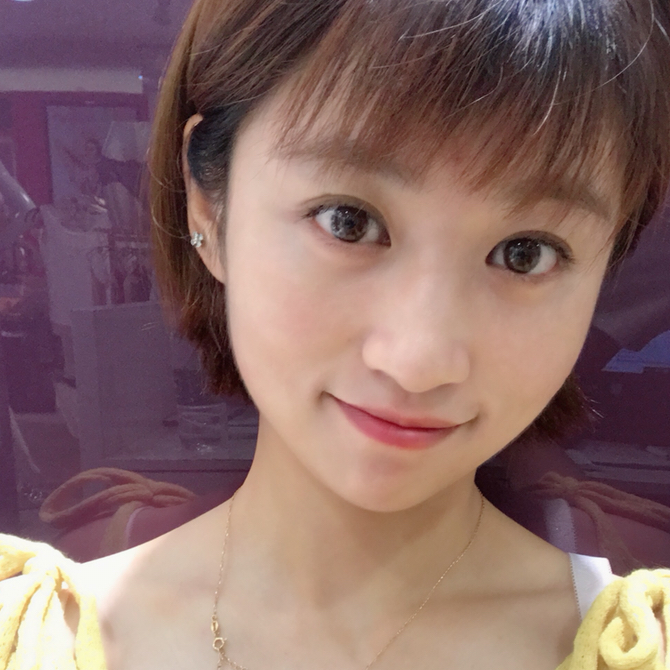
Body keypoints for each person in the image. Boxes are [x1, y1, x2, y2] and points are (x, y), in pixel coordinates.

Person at [2, 0, 670, 669]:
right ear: (208, 205)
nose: (418, 362)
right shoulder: (28, 639)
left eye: (525, 253)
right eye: (348, 221)